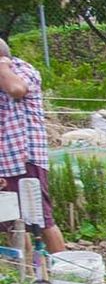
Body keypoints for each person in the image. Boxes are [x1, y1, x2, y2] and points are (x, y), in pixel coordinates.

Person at [0, 37, 69, 255]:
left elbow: (16, 89)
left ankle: (64, 269)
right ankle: (26, 270)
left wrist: (2, 66)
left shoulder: (22, 70)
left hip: (25, 159)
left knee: (41, 220)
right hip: (4, 163)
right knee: (11, 220)